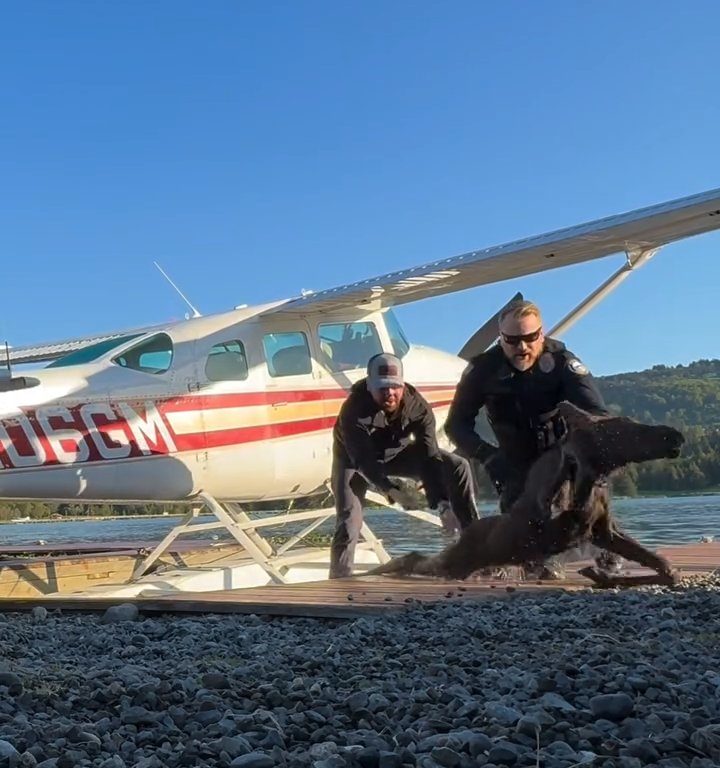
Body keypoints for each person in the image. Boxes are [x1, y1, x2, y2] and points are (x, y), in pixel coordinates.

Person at [445, 299, 618, 578]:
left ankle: (605, 543)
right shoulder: (483, 370)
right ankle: (536, 562)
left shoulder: (562, 363)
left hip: (561, 450)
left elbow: (597, 414)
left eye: (530, 338)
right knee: (523, 534)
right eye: (512, 341)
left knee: (583, 503)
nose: (522, 347)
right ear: (501, 339)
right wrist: (487, 456)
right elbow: (456, 425)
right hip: (513, 458)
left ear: (542, 333)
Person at [329, 352, 479, 579]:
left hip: (398, 454)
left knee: (458, 465)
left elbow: (429, 456)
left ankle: (475, 551)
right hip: (354, 461)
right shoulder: (354, 408)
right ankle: (339, 578)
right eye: (382, 387)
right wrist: (389, 489)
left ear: (402, 385)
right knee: (350, 519)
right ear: (369, 385)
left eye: (394, 387)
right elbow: (363, 459)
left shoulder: (418, 407)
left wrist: (442, 504)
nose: (389, 393)